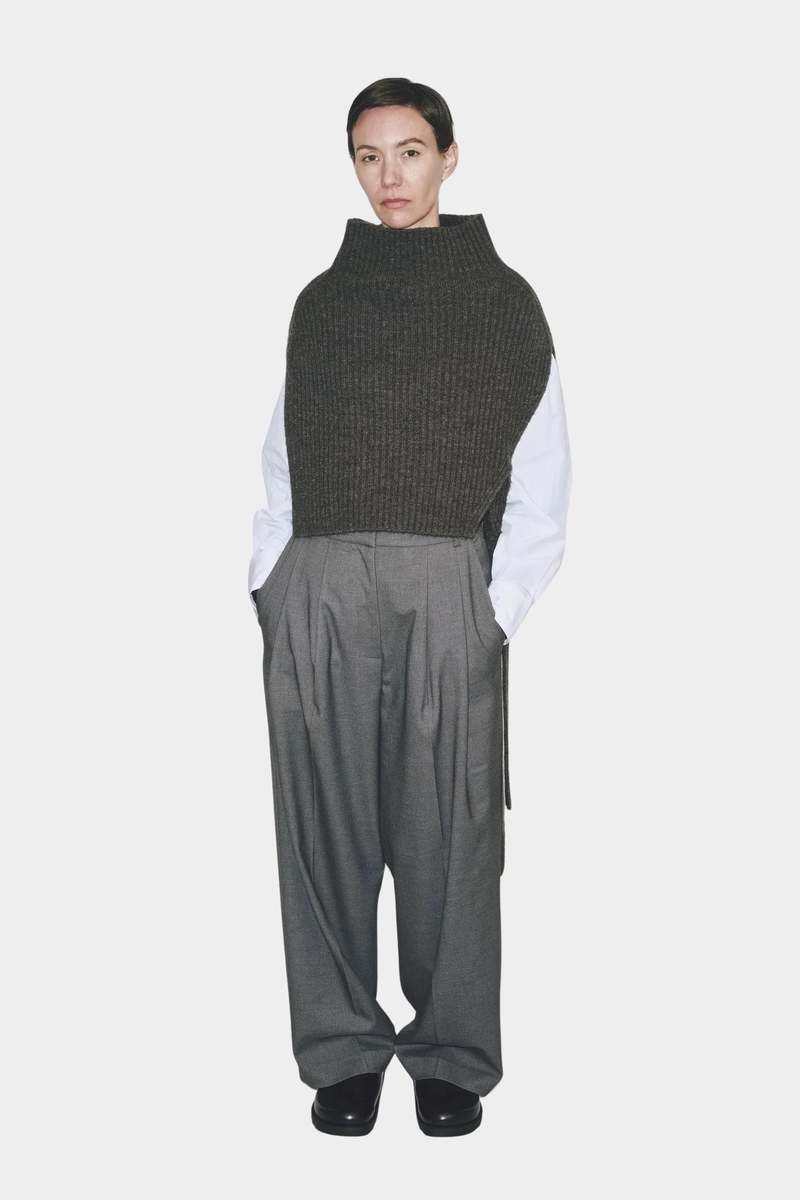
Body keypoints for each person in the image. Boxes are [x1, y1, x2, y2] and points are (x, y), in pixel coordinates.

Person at [248, 77, 572, 1136]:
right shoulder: (322, 302)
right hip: (320, 588)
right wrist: (272, 580)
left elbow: (542, 482)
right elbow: (283, 459)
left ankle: (449, 1056)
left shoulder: (505, 303)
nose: (388, 176)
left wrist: (492, 611)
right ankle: (343, 1052)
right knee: (323, 831)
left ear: (448, 156)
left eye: (409, 151)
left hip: (446, 591)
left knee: (452, 838)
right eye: (367, 155)